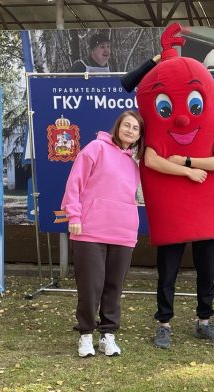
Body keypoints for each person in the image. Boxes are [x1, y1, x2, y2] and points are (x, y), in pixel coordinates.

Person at [120, 23, 214, 350]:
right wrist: (187, 172)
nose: (184, 119)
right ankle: (164, 323)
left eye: (194, 106)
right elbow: (153, 161)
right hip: (175, 206)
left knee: (206, 268)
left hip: (205, 206)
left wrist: (187, 163)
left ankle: (205, 320)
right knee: (168, 269)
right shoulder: (155, 136)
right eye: (168, 109)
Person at [61, 110, 144, 357]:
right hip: (90, 231)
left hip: (123, 232)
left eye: (136, 128)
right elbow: (74, 183)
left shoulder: (135, 161)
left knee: (113, 287)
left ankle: (108, 335)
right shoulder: (96, 148)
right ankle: (86, 335)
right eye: (126, 125)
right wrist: (74, 216)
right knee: (90, 287)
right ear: (118, 127)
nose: (130, 130)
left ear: (139, 135)